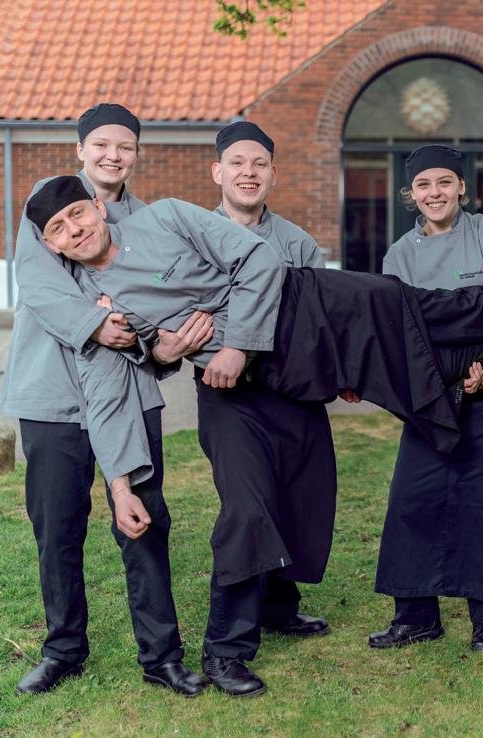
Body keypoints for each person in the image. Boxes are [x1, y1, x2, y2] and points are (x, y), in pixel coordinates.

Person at [25, 175, 483, 684]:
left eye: (78, 213)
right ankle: (226, 652)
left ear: (98, 207)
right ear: (52, 248)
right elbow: (107, 394)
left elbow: (258, 258)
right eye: (58, 229)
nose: (75, 229)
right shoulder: (98, 310)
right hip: (272, 374)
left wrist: (234, 342)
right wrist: (123, 477)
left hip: (313, 303)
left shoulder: (164, 217)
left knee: (442, 314)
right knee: (423, 366)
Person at [0, 104, 208, 696]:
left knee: (144, 522)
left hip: (128, 398)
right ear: (81, 151)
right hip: (50, 397)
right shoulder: (51, 200)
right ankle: (63, 649)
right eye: (101, 145)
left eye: (125, 146)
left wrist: (161, 348)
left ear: (136, 153)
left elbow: (159, 309)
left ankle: (161, 655)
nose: (113, 155)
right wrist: (96, 325)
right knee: (57, 526)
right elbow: (40, 286)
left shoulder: (145, 221)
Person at [369, 145, 483, 652]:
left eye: (444, 182)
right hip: (432, 394)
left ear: (461, 188)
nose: (435, 193)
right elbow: (400, 333)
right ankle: (415, 616)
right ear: (411, 194)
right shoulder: (399, 255)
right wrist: (447, 384)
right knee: (415, 496)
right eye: (424, 185)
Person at [196, 121, 332, 697]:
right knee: (248, 509)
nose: (248, 173)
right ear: (218, 172)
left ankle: (279, 605)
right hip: (230, 394)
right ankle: (225, 649)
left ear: (273, 174)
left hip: (294, 391)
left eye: (259, 164)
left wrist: (341, 372)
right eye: (237, 163)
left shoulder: (298, 244)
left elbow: (322, 321)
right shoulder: (195, 239)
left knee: (297, 498)